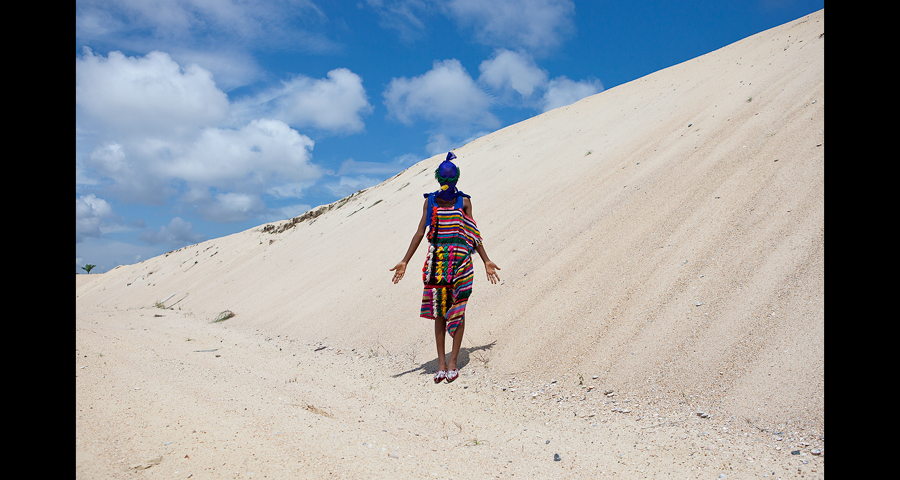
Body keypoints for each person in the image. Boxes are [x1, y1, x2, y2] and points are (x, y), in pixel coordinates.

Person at [390, 152, 501, 384]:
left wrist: (486, 260)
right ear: (438, 178)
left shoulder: (465, 201)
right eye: (444, 179)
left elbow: (473, 233)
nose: (447, 183)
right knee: (439, 312)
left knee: (458, 310)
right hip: (437, 263)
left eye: (450, 180)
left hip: (461, 264)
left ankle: (453, 362)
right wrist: (405, 260)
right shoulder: (430, 201)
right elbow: (420, 232)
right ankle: (441, 362)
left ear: (456, 180)